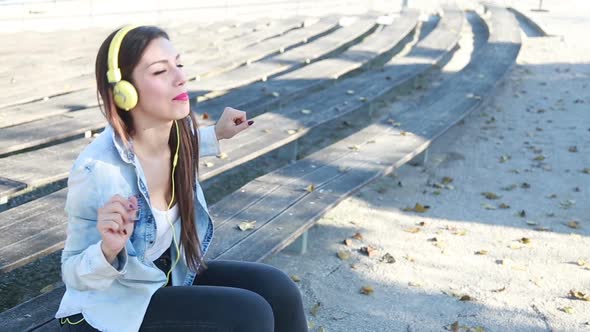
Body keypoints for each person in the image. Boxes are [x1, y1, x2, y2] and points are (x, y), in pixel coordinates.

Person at [54, 25, 308, 332]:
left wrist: (217, 133)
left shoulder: (177, 138)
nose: (180, 77)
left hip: (164, 276)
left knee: (278, 289)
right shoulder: (97, 170)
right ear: (124, 92)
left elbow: (182, 143)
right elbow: (72, 273)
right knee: (249, 315)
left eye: (179, 64)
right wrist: (108, 250)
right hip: (111, 309)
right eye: (161, 71)